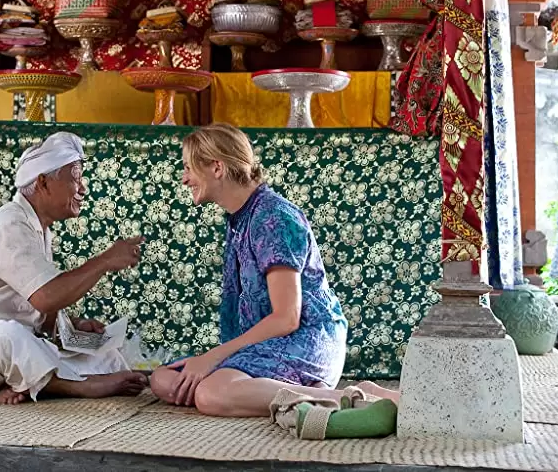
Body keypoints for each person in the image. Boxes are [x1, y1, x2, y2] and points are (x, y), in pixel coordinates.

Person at [150, 124, 400, 421]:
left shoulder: (273, 218)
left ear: (217, 167)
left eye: (189, 167)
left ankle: (353, 396)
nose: (185, 178)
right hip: (267, 343)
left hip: (307, 337)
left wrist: (213, 357)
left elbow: (287, 318)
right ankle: (300, 392)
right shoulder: (240, 218)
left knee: (210, 393)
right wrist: (207, 361)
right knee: (163, 379)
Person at [0, 131, 149, 405]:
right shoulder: (9, 223)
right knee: (10, 336)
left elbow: (40, 310)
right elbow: (46, 297)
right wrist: (105, 261)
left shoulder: (39, 229)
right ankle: (75, 387)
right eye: (75, 177)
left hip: (1, 354)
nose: (83, 188)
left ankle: (27, 382)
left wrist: (73, 329)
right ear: (43, 182)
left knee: (106, 356)